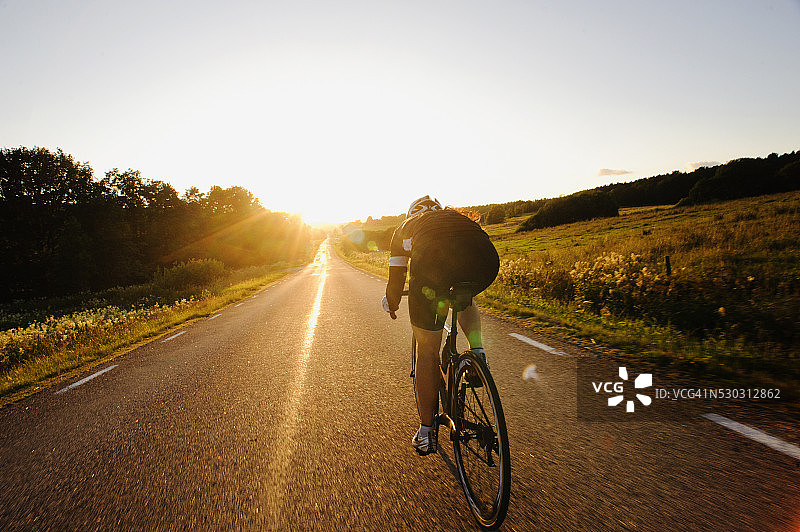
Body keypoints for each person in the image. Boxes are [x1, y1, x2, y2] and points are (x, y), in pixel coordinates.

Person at [382, 195, 500, 455]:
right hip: (485, 260)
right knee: (464, 293)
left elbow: (397, 276)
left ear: (411, 214)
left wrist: (392, 302)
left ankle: (426, 433)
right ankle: (478, 353)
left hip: (433, 266)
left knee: (427, 351)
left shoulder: (405, 227)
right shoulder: (456, 216)